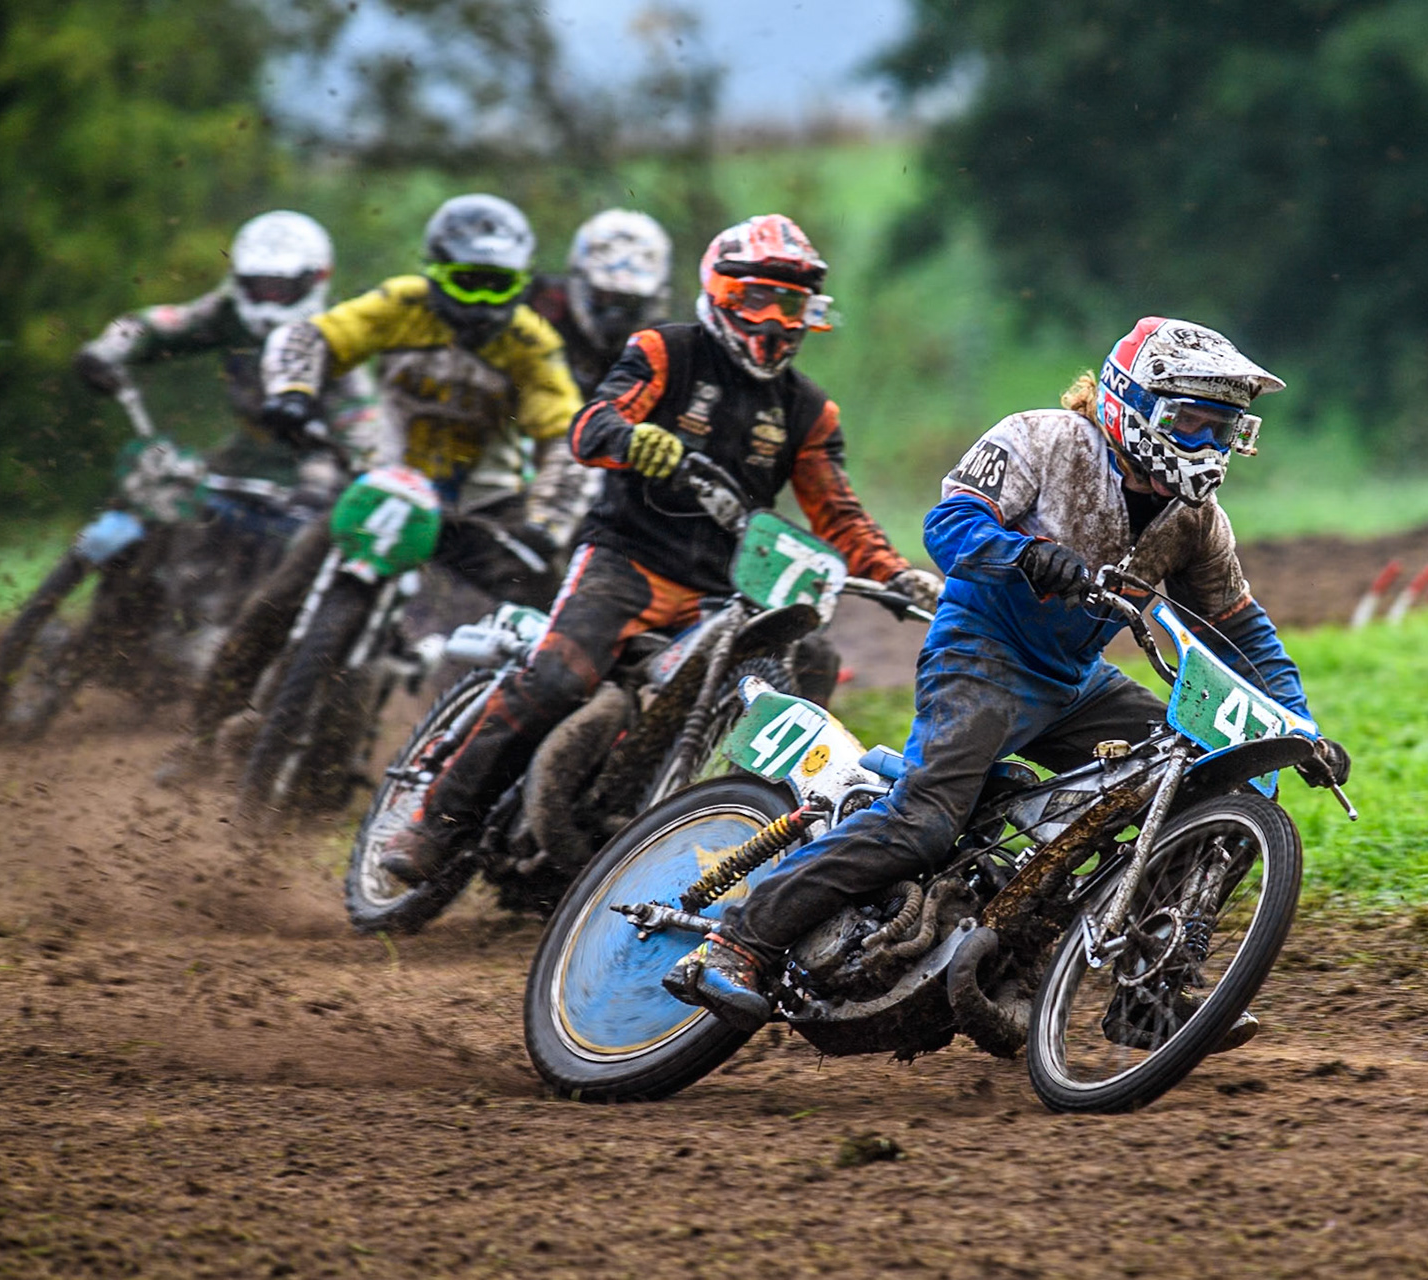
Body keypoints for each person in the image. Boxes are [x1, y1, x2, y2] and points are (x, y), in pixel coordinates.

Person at [663, 316, 1352, 1042]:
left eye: (1225, 428)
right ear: (1130, 403)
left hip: (1074, 682)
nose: (1210, 445)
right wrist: (1023, 553)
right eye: (1194, 423)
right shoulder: (1045, 439)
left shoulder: (1197, 519)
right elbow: (948, 523)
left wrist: (1295, 727)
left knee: (1209, 786)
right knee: (924, 823)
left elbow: (1242, 629)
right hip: (981, 653)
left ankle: (1149, 993)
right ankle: (739, 940)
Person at [377, 213, 944, 885]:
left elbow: (838, 514)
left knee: (812, 659)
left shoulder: (807, 411)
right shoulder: (665, 352)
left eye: (789, 303)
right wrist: (631, 439)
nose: (772, 319)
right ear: (721, 295)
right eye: (755, 298)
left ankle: (732, 834)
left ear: (810, 313)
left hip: (722, 593)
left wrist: (899, 575)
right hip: (626, 563)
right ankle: (433, 823)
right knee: (558, 678)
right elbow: (589, 426)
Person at [157, 194, 588, 784]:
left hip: (479, 510)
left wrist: (549, 524)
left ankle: (520, 781)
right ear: (436, 273)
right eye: (467, 283)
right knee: (274, 601)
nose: (482, 303)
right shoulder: (401, 304)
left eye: (499, 286)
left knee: (562, 619)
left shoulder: (533, 342)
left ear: (521, 283)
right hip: (387, 483)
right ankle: (199, 741)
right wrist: (292, 391)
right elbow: (310, 338)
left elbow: (566, 438)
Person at [72, 209, 373, 488]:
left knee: (308, 527)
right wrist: (105, 351)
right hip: (241, 459)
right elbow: (157, 325)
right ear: (240, 279)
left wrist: (335, 479)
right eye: (260, 285)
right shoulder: (226, 313)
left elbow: (363, 423)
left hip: (311, 474)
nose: (269, 298)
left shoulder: (334, 339)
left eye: (280, 287)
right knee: (157, 495)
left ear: (316, 279)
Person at [524, 209, 674, 397]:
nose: (614, 314)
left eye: (629, 301)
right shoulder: (540, 307)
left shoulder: (665, 348)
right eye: (603, 295)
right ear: (581, 282)